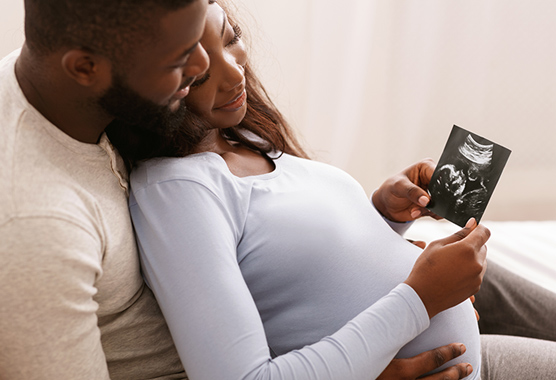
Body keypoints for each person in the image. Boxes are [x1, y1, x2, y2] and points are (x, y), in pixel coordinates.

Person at [108, 2, 544, 379]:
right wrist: (422, 298)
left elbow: (300, 272)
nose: (234, 71)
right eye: (199, 74)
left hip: (458, 343)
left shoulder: (243, 136)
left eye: (231, 38)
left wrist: (383, 215)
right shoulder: (177, 190)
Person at [0, 0, 210, 378]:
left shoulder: (57, 79)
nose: (202, 65)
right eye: (178, 60)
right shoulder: (34, 226)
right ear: (85, 68)